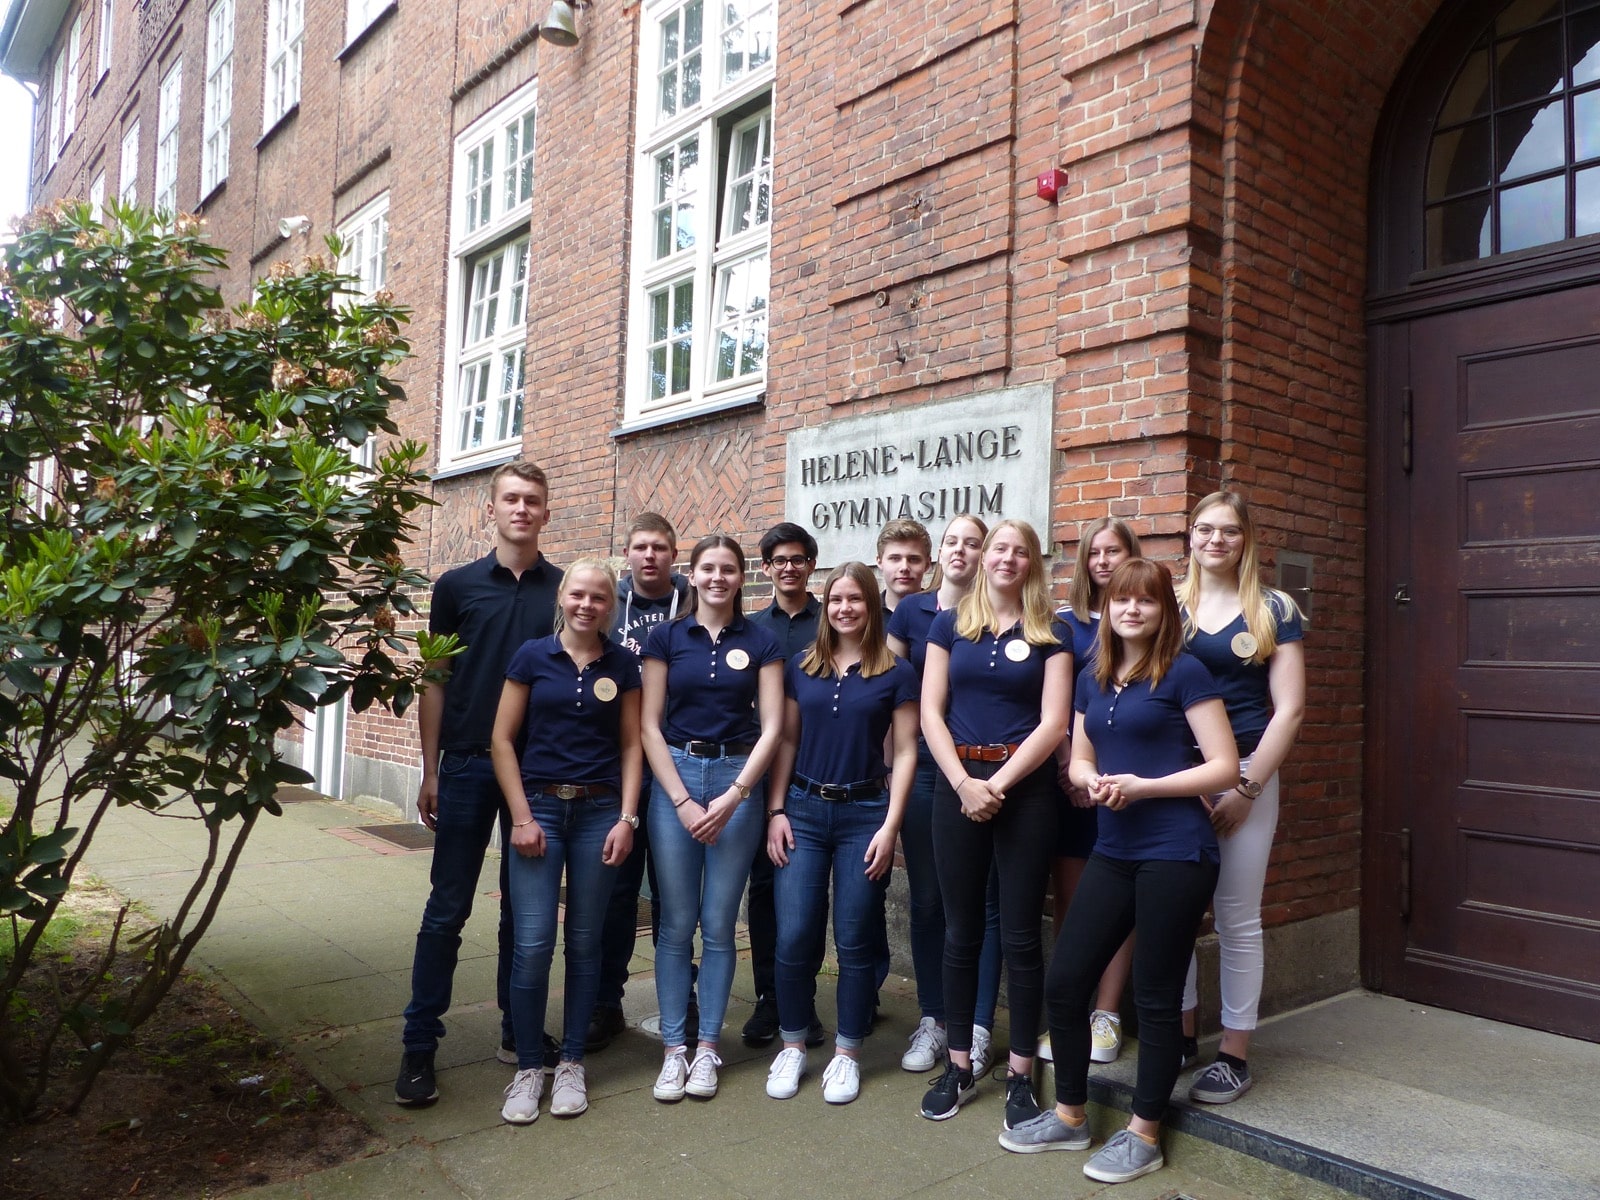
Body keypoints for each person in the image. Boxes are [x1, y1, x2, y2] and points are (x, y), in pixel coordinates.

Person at [1007, 558, 1236, 1185]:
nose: (1131, 610)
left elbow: (1223, 767)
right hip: (1114, 849)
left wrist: (1146, 787)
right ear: (1105, 608)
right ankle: (1071, 1113)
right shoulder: (1095, 675)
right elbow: (1079, 758)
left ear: (1166, 611)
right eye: (1120, 600)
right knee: (1066, 980)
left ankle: (1144, 1133)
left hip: (1176, 851)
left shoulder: (1185, 673)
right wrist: (1092, 780)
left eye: (1146, 601)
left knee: (1156, 998)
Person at [395, 461, 560, 1106]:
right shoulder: (455, 588)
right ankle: (418, 1048)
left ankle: (518, 1033)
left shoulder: (564, 589)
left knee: (525, 913)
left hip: (539, 771)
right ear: (491, 509)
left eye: (533, 501)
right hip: (465, 764)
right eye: (511, 499)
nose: (521, 509)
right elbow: (433, 680)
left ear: (546, 512)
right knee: (447, 910)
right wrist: (430, 768)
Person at [918, 519, 1073, 1130]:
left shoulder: (1051, 631)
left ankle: (1019, 1072)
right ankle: (959, 1064)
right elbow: (932, 710)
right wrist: (962, 783)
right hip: (958, 788)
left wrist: (997, 785)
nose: (1007, 559)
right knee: (961, 934)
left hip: (1025, 792)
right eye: (997, 548)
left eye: (1020, 552)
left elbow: (1054, 722)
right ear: (981, 558)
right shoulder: (948, 623)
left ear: (1033, 563)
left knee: (1020, 938)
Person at [490, 559, 642, 1123]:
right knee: (531, 944)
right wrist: (522, 817)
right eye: (578, 594)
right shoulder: (533, 656)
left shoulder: (623, 665)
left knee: (585, 942)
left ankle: (573, 1060)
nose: (587, 604)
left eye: (598, 597)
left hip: (601, 812)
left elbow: (631, 747)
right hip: (540, 813)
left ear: (611, 604)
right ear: (563, 597)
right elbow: (502, 741)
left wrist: (627, 818)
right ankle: (531, 1065)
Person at [764, 563, 920, 1104]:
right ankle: (792, 1043)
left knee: (855, 939)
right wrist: (776, 810)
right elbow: (784, 741)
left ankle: (848, 1053)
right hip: (803, 810)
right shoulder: (802, 667)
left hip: (864, 814)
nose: (845, 608)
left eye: (856, 599)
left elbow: (904, 752)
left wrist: (891, 823)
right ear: (825, 605)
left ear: (872, 607)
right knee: (794, 935)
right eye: (836, 599)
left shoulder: (896, 673)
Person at [641, 535, 785, 1102]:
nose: (718, 577)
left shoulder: (763, 641)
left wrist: (736, 795)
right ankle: (674, 1048)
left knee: (721, 924)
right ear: (692, 576)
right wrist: (679, 798)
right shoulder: (666, 637)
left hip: (737, 781)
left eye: (728, 569)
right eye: (708, 568)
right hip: (675, 776)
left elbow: (772, 726)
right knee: (675, 924)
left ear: (740, 577)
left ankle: (707, 1049)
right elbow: (649, 725)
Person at [1178, 492, 1306, 1105]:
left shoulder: (1273, 608)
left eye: (1228, 531)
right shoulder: (1170, 605)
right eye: (1204, 529)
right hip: (1175, 778)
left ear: (1246, 539)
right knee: (1170, 910)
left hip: (1246, 777)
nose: (1215, 541)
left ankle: (1233, 1054)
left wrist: (1249, 787)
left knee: (1236, 916)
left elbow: (1291, 708)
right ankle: (1178, 1037)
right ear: (1190, 536)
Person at [886, 515, 1005, 1080]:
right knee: (931, 902)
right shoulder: (912, 612)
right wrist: (887, 770)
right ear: (940, 555)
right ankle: (935, 1020)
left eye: (973, 543)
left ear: (987, 554)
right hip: (927, 772)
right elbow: (882, 688)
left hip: (985, 776)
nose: (962, 550)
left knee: (983, 905)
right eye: (952, 541)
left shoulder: (1001, 615)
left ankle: (977, 1028)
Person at [588, 513, 694, 1052]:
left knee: (677, 892)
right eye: (639, 547)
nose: (649, 556)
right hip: (616, 764)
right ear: (626, 554)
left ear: (674, 554)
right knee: (618, 892)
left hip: (678, 764)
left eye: (659, 547)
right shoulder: (608, 603)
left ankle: (685, 997)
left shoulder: (695, 603)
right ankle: (607, 1002)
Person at [1045, 517, 1143, 1067]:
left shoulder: (1150, 619)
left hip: (1129, 782)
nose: (1103, 561)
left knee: (1119, 902)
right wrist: (1069, 769)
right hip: (1072, 782)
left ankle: (1107, 1013)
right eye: (1095, 553)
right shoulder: (1068, 625)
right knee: (1074, 901)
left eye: (1114, 551)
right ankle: (1072, 1008)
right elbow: (1056, 710)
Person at [742, 523, 825, 1047]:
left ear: (810, 564)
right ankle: (769, 999)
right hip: (762, 771)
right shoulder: (752, 629)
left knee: (809, 896)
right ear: (766, 567)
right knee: (766, 887)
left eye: (798, 559)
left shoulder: (834, 619)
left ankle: (804, 998)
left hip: (821, 768)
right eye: (779, 560)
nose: (789, 567)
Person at [876, 518, 932, 613]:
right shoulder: (866, 616)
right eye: (895, 558)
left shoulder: (941, 615)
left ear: (927, 564)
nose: (904, 567)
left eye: (913, 559)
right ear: (880, 562)